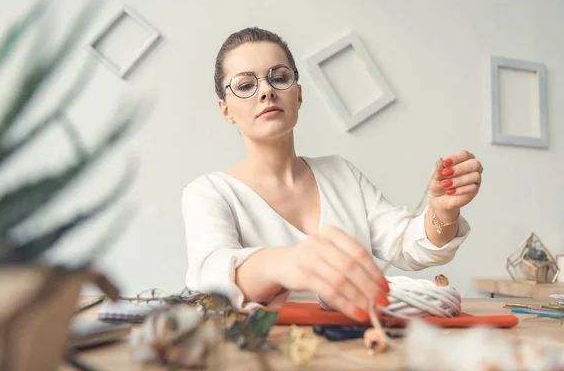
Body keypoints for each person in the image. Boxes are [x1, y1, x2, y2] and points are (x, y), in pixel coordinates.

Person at [182, 27, 483, 321]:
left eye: (280, 78)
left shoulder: (340, 173)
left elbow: (407, 246)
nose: (267, 91)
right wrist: (288, 263)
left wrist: (443, 213)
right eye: (246, 85)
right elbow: (209, 278)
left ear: (298, 96)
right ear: (226, 110)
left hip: (359, 349)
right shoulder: (210, 192)